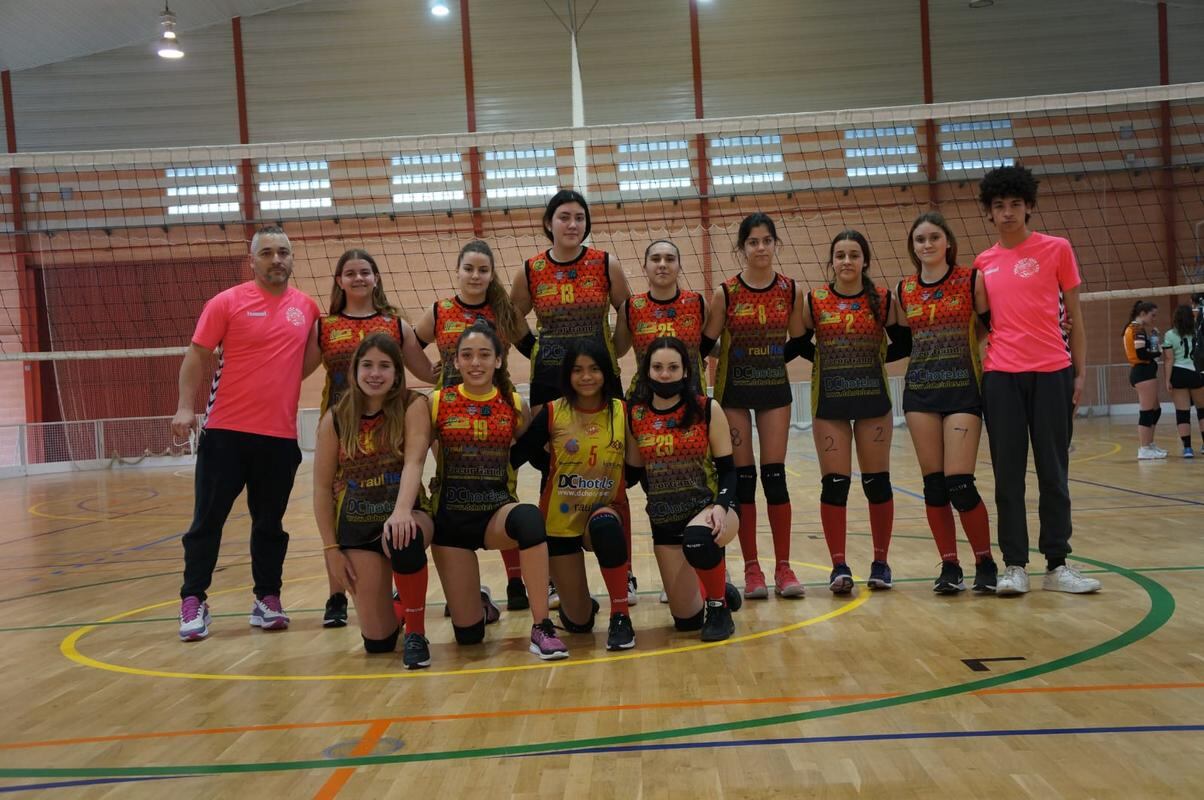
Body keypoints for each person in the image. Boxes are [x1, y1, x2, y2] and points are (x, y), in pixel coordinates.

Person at [173, 225, 321, 641]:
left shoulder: (307, 309)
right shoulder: (227, 302)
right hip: (226, 434)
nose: (277, 260)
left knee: (270, 524)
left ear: (292, 258)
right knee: (207, 521)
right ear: (252, 261)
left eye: (284, 252)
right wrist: (186, 406)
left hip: (278, 438)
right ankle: (193, 599)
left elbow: (305, 361)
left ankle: (267, 599)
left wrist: (283, 382)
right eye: (268, 253)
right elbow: (197, 355)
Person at [975, 164, 1100, 595]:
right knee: (1007, 475)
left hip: (1053, 374)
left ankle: (1058, 563)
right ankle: (1014, 566)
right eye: (999, 206)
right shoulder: (983, 263)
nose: (1007, 213)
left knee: (1054, 472)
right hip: (1001, 378)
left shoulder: (1057, 249)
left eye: (1015, 205)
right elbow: (976, 327)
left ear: (1029, 206)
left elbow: (1077, 319)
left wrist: (1079, 374)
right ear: (989, 213)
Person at [510, 189, 637, 605]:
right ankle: (555, 572)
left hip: (601, 381)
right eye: (564, 216)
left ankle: (626, 571)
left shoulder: (605, 263)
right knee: (554, 469)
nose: (572, 224)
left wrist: (615, 352)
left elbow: (629, 311)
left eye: (579, 217)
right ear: (549, 223)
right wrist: (536, 351)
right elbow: (512, 318)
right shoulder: (530, 270)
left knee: (613, 470)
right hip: (551, 383)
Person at [308, 248, 435, 628]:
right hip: (344, 427)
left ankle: (399, 591)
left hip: (388, 426)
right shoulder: (325, 326)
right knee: (336, 505)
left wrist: (469, 364)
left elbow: (426, 371)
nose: (359, 278)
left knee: (391, 499)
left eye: (366, 272)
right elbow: (292, 372)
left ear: (376, 278)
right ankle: (336, 596)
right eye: (351, 273)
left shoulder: (396, 325)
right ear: (339, 280)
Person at [429, 320, 568, 659]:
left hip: (496, 513)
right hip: (452, 522)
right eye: (467, 355)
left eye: (484, 355)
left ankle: (541, 626)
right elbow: (413, 458)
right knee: (470, 636)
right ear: (456, 362)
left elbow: (536, 453)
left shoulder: (512, 403)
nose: (475, 362)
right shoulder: (435, 402)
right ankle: (480, 605)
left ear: (498, 360)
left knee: (530, 520)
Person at [413, 239, 531, 612]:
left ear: (491, 274)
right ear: (458, 271)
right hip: (448, 414)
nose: (476, 275)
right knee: (454, 492)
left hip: (497, 410)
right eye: (469, 269)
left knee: (500, 492)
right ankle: (469, 589)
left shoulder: (503, 310)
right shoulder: (441, 310)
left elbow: (532, 346)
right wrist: (425, 372)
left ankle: (515, 583)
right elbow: (409, 344)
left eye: (483, 269)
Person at [789, 230, 905, 594]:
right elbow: (796, 344)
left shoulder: (883, 299)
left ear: (864, 261)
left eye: (854, 255)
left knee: (877, 484)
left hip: (873, 402)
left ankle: (880, 563)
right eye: (840, 255)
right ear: (832, 261)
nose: (847, 261)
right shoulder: (815, 300)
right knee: (835, 485)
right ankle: (838, 565)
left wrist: (873, 361)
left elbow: (906, 341)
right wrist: (827, 361)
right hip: (831, 404)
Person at [312, 333, 435, 668]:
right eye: (367, 365)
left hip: (406, 513)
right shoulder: (335, 418)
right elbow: (322, 489)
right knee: (378, 644)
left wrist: (401, 512)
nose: (375, 373)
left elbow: (414, 461)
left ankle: (417, 633)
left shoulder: (414, 405)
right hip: (357, 524)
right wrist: (331, 550)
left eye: (384, 366)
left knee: (403, 537)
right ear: (355, 371)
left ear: (397, 372)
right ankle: (399, 607)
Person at [701, 213, 805, 600]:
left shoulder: (790, 289)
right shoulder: (726, 293)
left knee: (774, 477)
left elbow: (798, 339)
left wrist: (771, 357)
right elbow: (707, 341)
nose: (760, 248)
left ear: (775, 244)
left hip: (774, 390)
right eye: (752, 242)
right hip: (734, 394)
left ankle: (783, 567)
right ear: (742, 248)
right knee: (743, 481)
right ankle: (752, 569)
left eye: (766, 241)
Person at [895, 212, 998, 594]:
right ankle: (950, 566)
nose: (926, 244)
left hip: (962, 391)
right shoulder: (903, 289)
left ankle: (985, 561)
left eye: (933, 237)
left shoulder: (972, 279)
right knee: (934, 486)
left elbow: (991, 327)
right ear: (913, 246)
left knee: (960, 483)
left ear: (948, 242)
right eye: (920, 239)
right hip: (920, 393)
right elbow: (902, 344)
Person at [511, 341, 634, 650]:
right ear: (568, 374)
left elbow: (638, 467)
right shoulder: (554, 411)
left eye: (594, 369)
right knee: (579, 624)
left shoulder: (622, 411)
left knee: (606, 526)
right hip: (559, 520)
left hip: (604, 512)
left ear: (605, 373)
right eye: (578, 370)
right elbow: (521, 455)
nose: (587, 377)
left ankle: (620, 617)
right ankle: (581, 605)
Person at [625, 337, 742, 641]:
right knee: (686, 623)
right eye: (658, 367)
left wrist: (721, 505)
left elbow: (729, 471)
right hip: (665, 520)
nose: (665, 374)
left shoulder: (707, 409)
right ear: (647, 371)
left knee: (698, 540)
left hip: (711, 509)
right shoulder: (636, 415)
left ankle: (719, 607)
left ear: (686, 372)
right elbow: (633, 471)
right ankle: (718, 588)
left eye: (673, 367)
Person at [614, 239, 707, 396]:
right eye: (655, 259)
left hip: (691, 396)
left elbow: (707, 343)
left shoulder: (697, 302)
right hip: (645, 398)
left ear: (679, 267)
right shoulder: (631, 307)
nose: (662, 264)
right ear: (645, 267)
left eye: (670, 259)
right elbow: (617, 350)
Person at [1161, 304, 1204, 458]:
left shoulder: (1169, 335)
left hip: (1178, 373)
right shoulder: (1197, 333)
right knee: (1202, 410)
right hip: (1195, 372)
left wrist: (1167, 380)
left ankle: (1187, 449)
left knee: (1182, 413)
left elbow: (1168, 360)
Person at [1123, 301, 1165, 460]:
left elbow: (1142, 349)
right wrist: (1158, 352)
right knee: (1147, 412)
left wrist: (1153, 339)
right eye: (1152, 315)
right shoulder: (1136, 329)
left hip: (1143, 372)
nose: (1154, 318)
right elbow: (1141, 354)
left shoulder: (1135, 329)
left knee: (1155, 410)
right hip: (1142, 373)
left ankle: (1150, 444)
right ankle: (1144, 448)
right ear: (1142, 313)